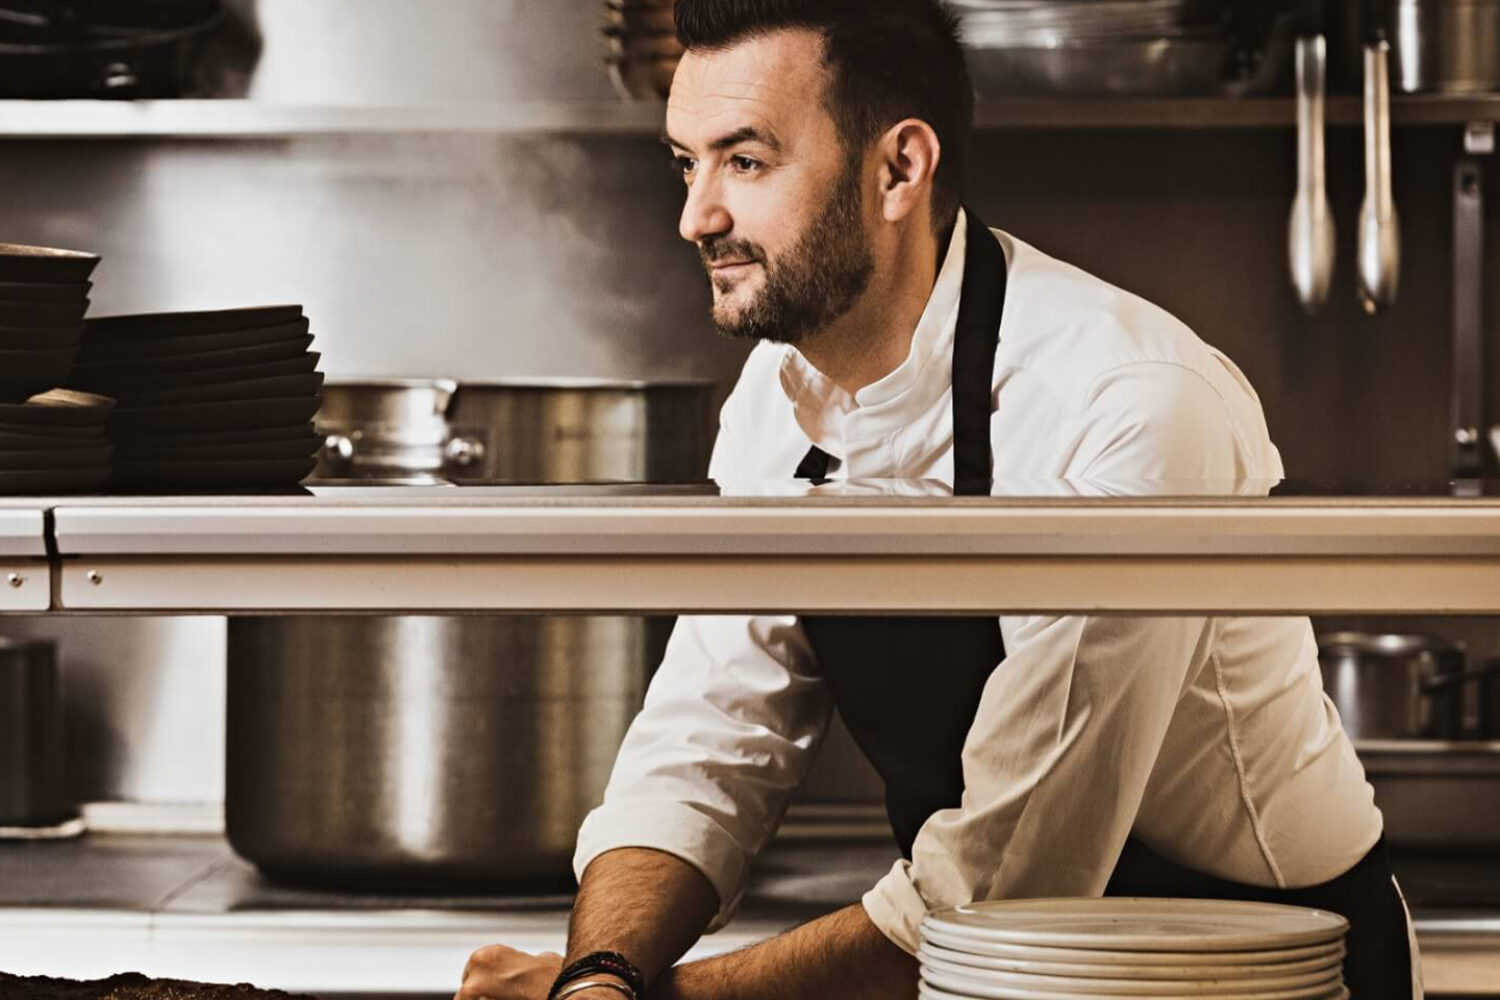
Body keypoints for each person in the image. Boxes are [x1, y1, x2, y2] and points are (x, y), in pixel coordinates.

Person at [459, 2, 1420, 998]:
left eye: (743, 162)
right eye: (685, 163)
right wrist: (603, 972)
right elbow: (709, 741)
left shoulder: (1129, 404)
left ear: (899, 170)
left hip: (1255, 970)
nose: (695, 215)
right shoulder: (778, 403)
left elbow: (1009, 871)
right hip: (996, 966)